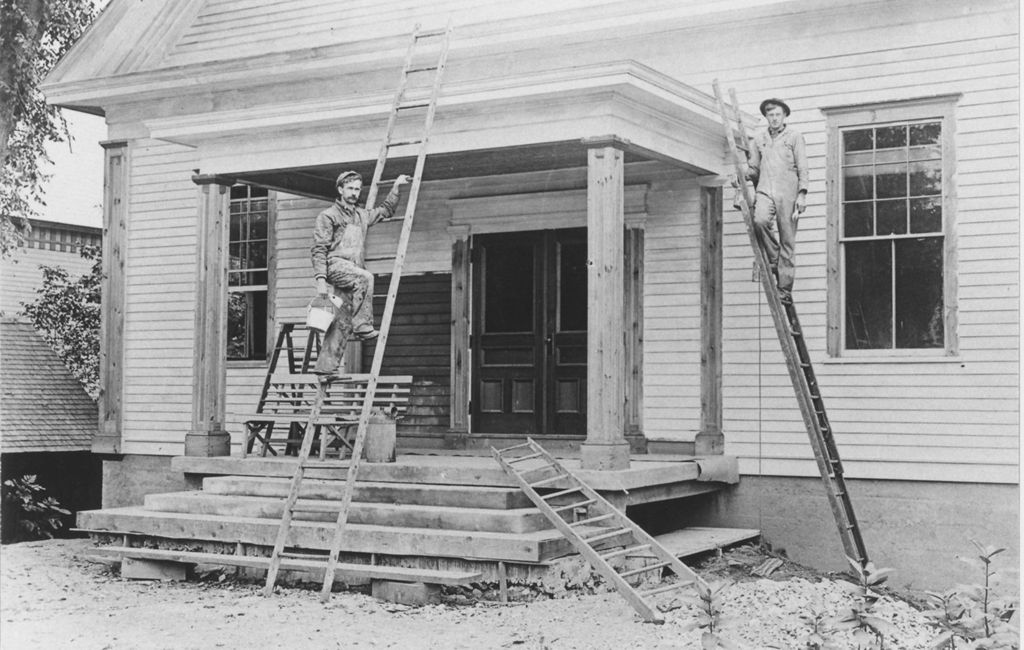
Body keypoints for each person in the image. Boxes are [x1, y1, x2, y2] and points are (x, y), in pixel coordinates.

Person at [310, 170, 410, 375]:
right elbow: (319, 249)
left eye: (357, 189)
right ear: (340, 189)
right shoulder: (328, 216)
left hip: (353, 271)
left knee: (341, 319)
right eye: (350, 188)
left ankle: (324, 367)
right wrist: (320, 280)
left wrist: (396, 188)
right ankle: (363, 325)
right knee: (366, 277)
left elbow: (385, 210)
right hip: (335, 265)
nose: (354, 193)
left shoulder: (361, 215)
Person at [744, 97, 808, 304]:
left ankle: (785, 289)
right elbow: (753, 169)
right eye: (770, 115)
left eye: (777, 114)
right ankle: (774, 259)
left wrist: (802, 194)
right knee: (760, 220)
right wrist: (740, 174)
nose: (774, 118)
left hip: (788, 193)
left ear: (784, 116)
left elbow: (803, 167)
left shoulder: (795, 137)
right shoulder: (759, 140)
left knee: (788, 240)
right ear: (766, 117)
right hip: (765, 190)